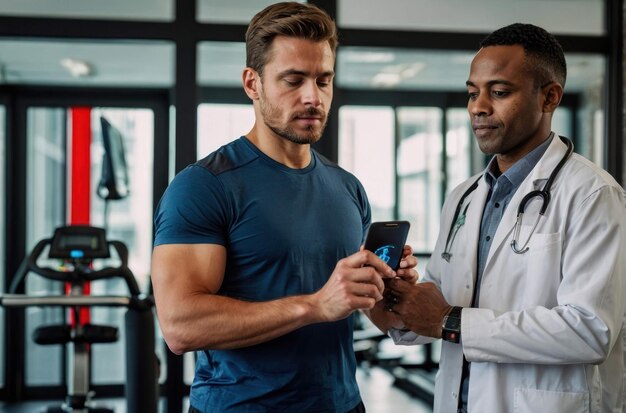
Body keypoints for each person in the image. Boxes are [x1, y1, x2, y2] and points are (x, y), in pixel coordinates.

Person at [150, 2, 417, 412]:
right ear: (252, 83)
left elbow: (369, 310)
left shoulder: (347, 187)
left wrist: (388, 290)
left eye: (323, 80)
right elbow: (180, 325)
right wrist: (314, 305)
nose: (312, 97)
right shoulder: (203, 186)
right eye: (293, 80)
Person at [376, 23, 626, 413]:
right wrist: (392, 298)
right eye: (472, 93)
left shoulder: (592, 194)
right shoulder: (464, 196)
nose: (478, 107)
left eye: (499, 92)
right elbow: (437, 310)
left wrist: (450, 320)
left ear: (549, 97)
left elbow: (590, 330)